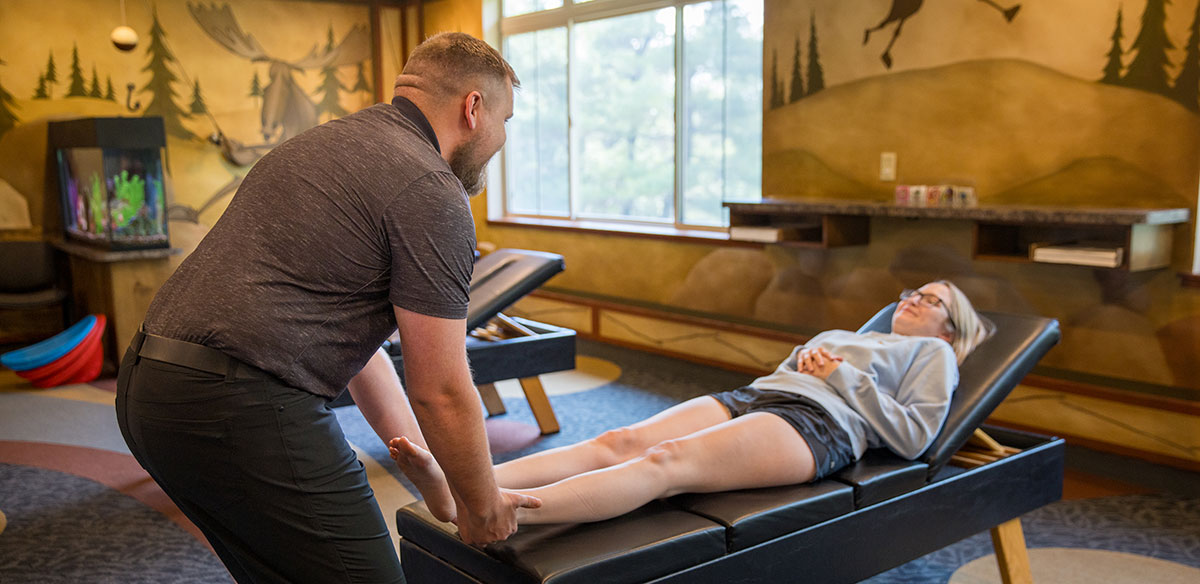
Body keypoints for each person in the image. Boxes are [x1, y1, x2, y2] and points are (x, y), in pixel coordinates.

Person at [115, 32, 539, 584]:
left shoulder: (321, 146)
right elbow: (440, 386)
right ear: (474, 108)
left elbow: (357, 350)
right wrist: (483, 506)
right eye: (506, 120)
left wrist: (439, 482)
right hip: (237, 404)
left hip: (147, 389)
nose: (503, 137)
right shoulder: (432, 190)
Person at [390, 280, 993, 525]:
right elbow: (796, 371)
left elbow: (916, 437)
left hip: (821, 426)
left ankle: (500, 510)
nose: (914, 299)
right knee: (615, 440)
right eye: (912, 292)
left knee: (665, 464)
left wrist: (841, 379)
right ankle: (460, 482)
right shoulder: (860, 337)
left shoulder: (934, 357)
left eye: (932, 300)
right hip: (761, 396)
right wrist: (813, 362)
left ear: (950, 327)